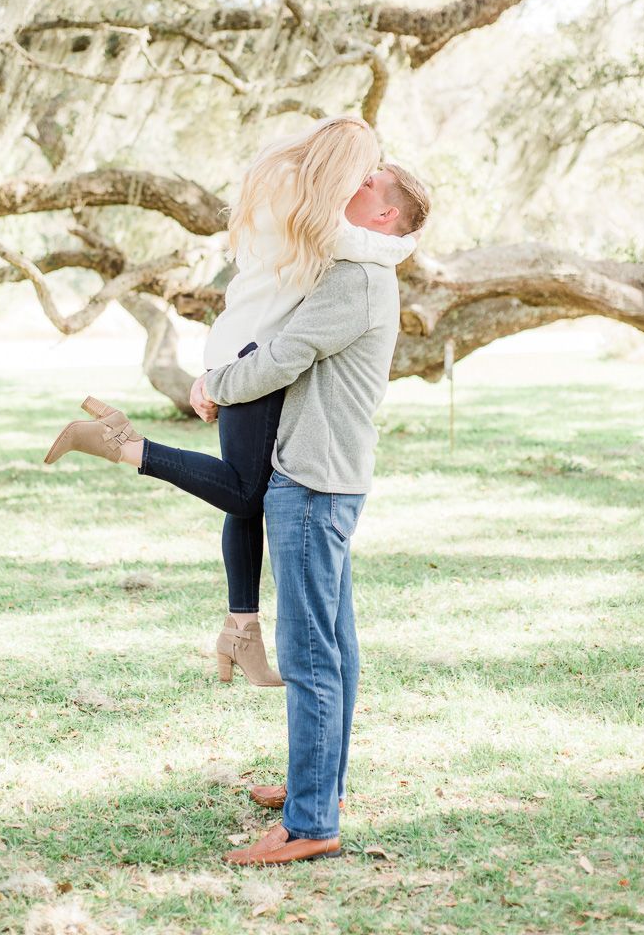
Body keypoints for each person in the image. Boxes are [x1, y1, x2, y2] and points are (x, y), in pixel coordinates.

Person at [43, 117, 419, 686]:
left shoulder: (285, 183)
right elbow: (363, 243)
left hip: (239, 343)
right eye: (364, 171)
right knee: (246, 493)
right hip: (252, 354)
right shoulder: (308, 207)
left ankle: (240, 632)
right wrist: (406, 241)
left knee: (242, 493)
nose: (361, 182)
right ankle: (125, 445)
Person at [193, 162, 431, 866]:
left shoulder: (357, 279)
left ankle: (309, 824)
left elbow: (282, 359)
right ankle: (315, 785)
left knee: (309, 652)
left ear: (384, 215)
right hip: (327, 478)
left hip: (312, 484)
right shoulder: (359, 268)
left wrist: (214, 383)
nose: (350, 182)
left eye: (367, 181)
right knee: (334, 644)